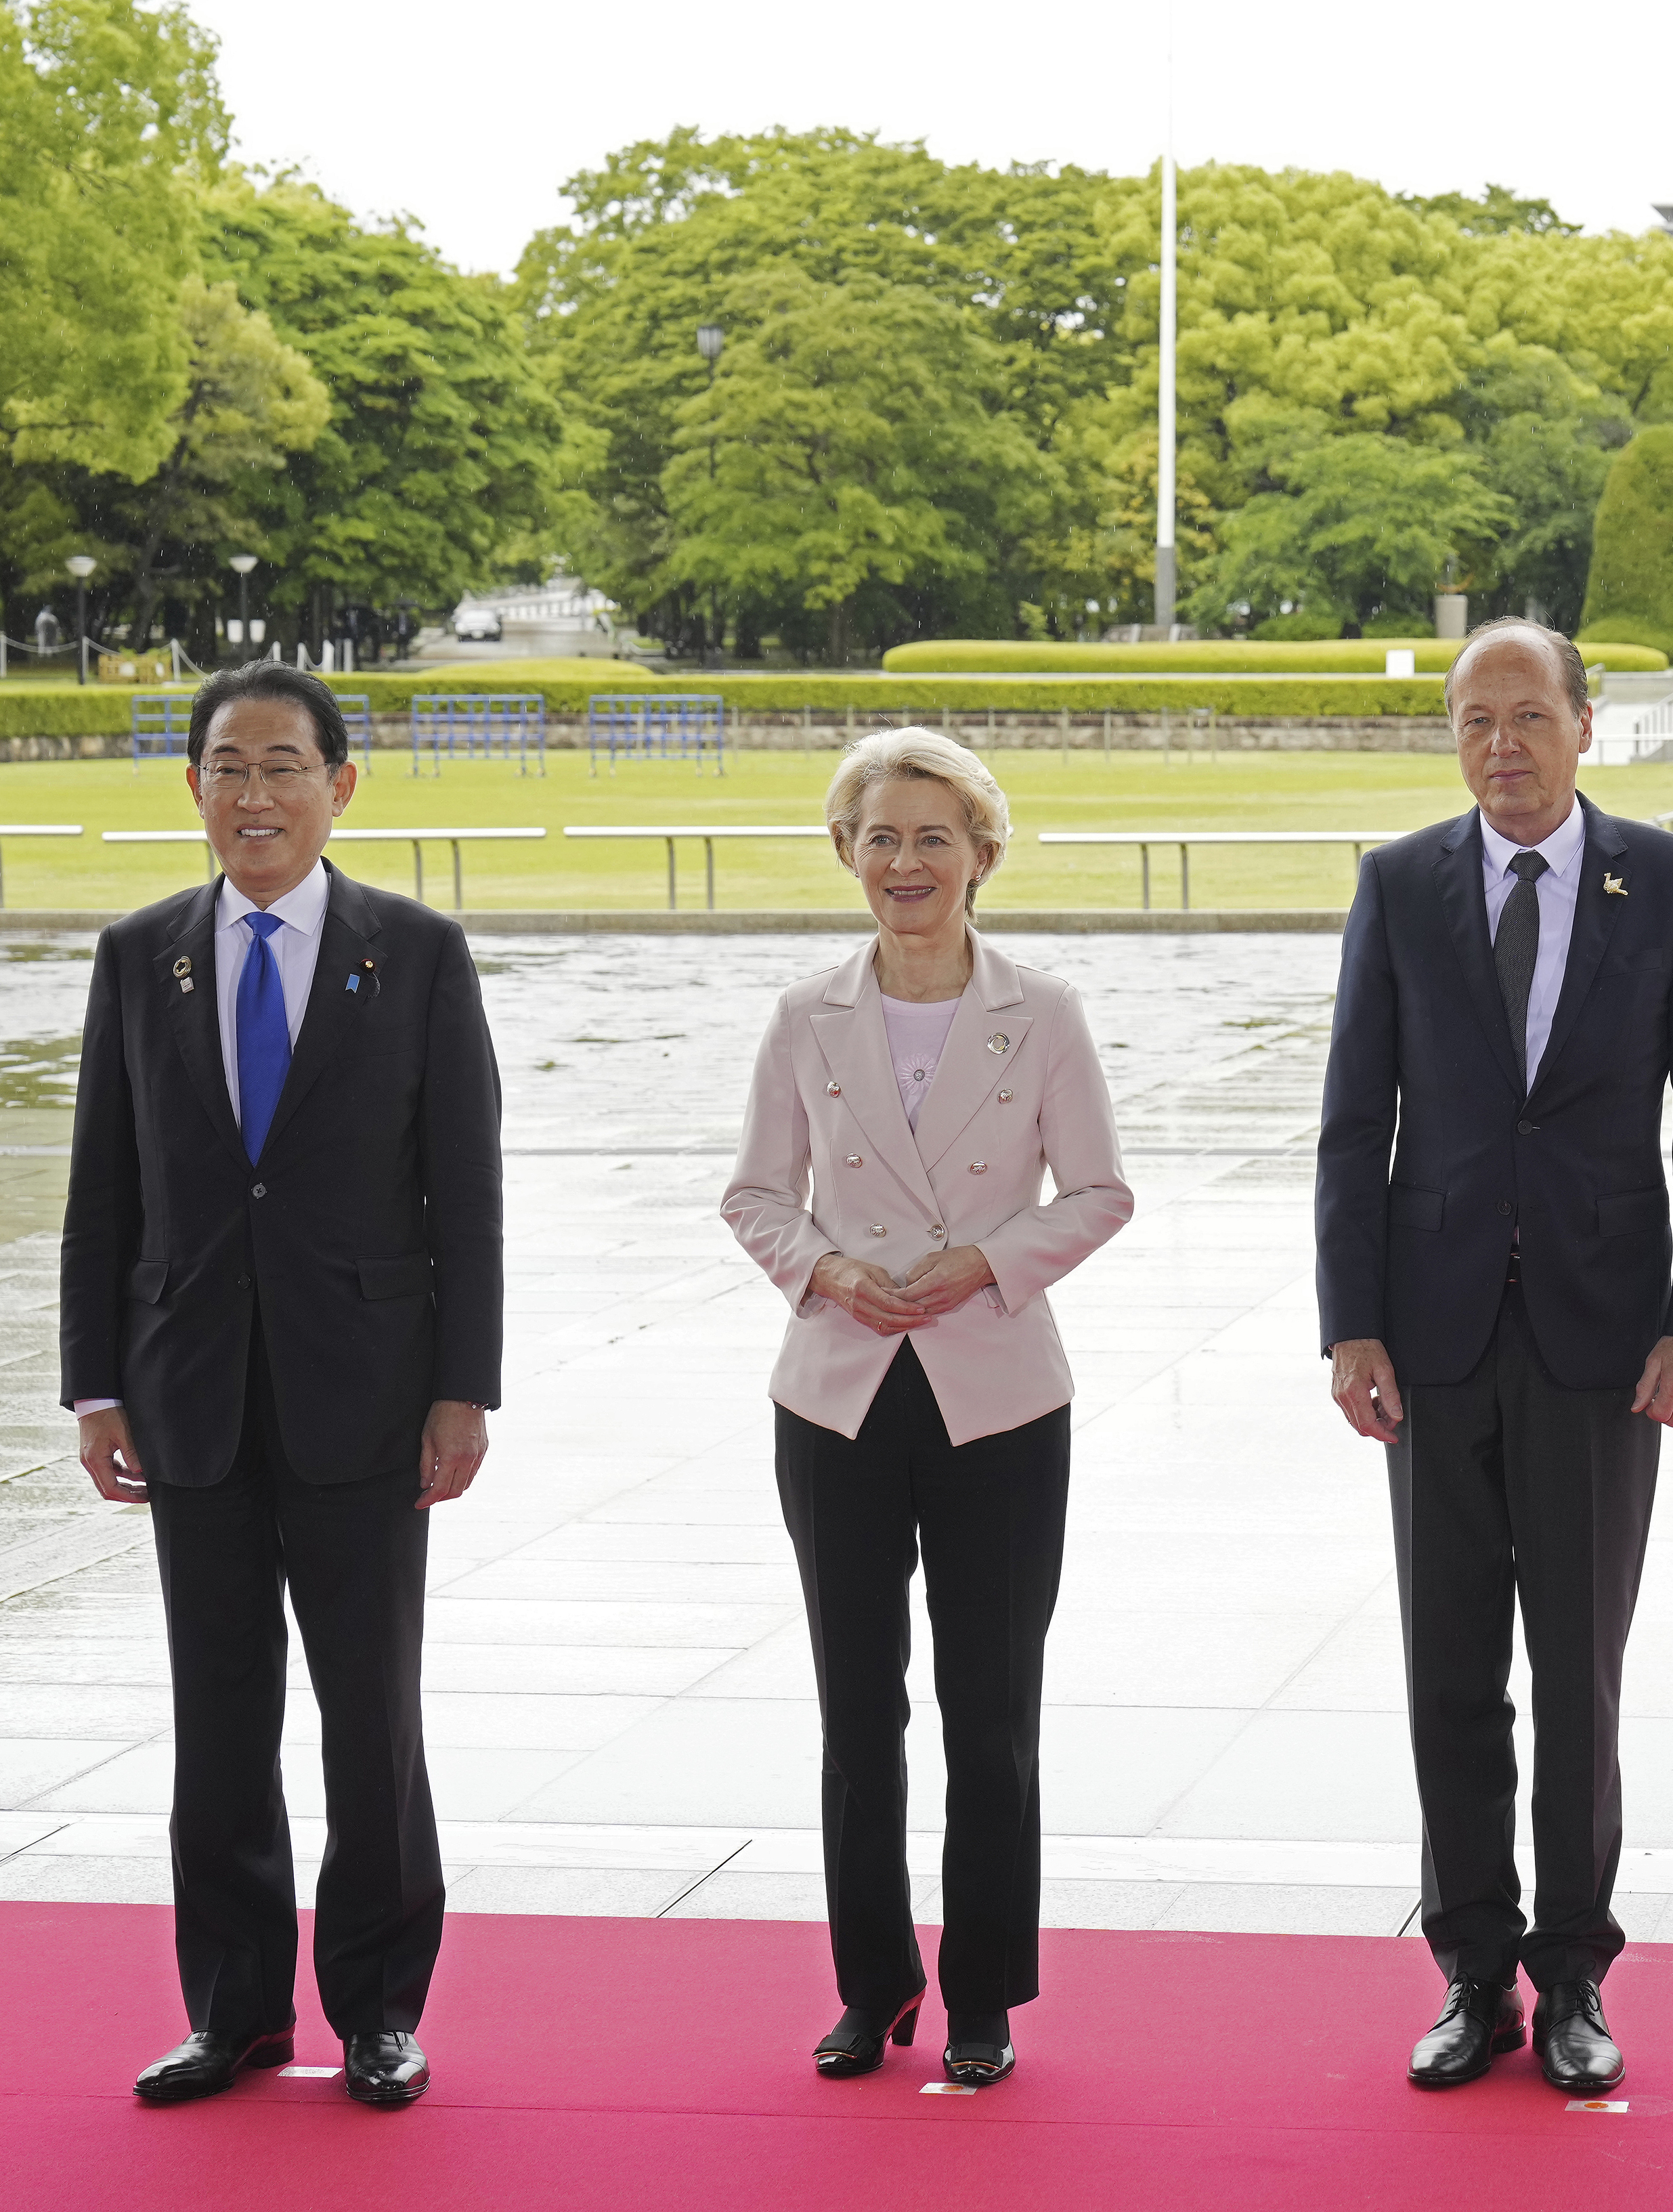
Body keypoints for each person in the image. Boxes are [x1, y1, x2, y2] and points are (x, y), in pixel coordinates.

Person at [1317, 618, 1673, 2096]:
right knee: (1449, 1669)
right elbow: (1349, 1123)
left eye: (1526, 715)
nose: (1498, 743)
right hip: (1431, 1338)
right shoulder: (1399, 884)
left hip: (1603, 1340)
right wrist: (1350, 1318)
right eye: (1471, 719)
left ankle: (1572, 1971)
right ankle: (1470, 1972)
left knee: (1577, 1670)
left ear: (1585, 721)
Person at [60, 664, 504, 2110]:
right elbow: (101, 1192)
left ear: (341, 784)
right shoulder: (141, 955)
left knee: (370, 1712)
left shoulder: (417, 951)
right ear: (191, 785)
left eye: (283, 766)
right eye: (227, 767)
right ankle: (236, 2009)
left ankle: (377, 2006)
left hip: (367, 1394)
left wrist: (464, 1385)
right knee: (218, 1711)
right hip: (188, 1391)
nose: (254, 794)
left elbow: (466, 1193)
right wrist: (93, 1386)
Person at [722, 729, 1134, 2090]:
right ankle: (870, 1981)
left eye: (932, 837)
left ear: (981, 854)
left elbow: (1097, 1192)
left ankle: (982, 1995)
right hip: (837, 1394)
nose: (905, 862)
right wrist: (827, 1267)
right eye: (880, 838)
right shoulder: (802, 1016)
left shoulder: (1045, 1010)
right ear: (846, 853)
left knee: (990, 1708)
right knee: (857, 1710)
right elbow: (755, 1194)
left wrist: (988, 1260)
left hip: (998, 1396)